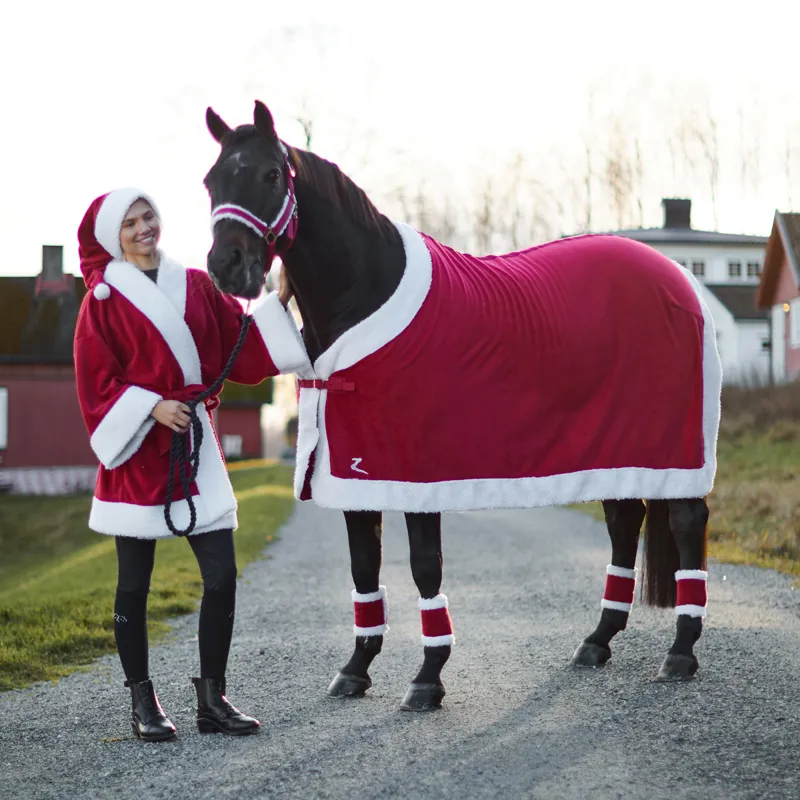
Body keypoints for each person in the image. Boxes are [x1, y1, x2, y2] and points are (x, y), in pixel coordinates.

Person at [74, 187, 309, 741]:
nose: (142, 228)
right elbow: (95, 383)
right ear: (115, 235)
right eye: (130, 222)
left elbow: (240, 344)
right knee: (134, 584)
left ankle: (212, 698)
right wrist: (150, 406)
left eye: (147, 216)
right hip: (137, 452)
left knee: (222, 576)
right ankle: (143, 704)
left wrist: (277, 302)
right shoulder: (101, 302)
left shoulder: (198, 285)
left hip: (196, 449)